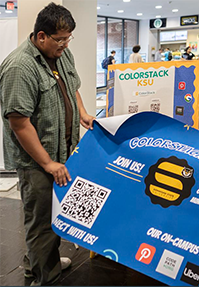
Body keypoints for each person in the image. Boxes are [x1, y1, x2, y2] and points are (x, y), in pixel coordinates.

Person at [0, 3, 95, 286]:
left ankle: (39, 263)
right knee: (42, 222)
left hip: (64, 149)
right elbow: (20, 123)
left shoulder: (61, 54)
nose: (66, 45)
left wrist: (84, 114)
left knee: (55, 213)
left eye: (69, 39)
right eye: (60, 39)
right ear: (41, 36)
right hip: (36, 160)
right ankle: (47, 277)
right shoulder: (19, 67)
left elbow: (72, 87)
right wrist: (48, 163)